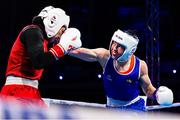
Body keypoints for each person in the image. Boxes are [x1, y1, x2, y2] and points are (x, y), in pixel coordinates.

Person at [69, 29, 173, 111]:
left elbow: (148, 89)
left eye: (119, 46)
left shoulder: (140, 65)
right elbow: (81, 52)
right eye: (114, 43)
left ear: (129, 50)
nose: (114, 48)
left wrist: (157, 94)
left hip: (134, 107)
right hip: (112, 108)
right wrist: (63, 47)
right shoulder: (105, 57)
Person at [0, 6, 82, 107]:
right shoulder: (32, 31)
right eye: (62, 31)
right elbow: (38, 61)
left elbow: (47, 57)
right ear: (54, 23)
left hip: (28, 91)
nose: (60, 37)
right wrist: (62, 48)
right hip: (18, 91)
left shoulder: (42, 39)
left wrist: (67, 48)